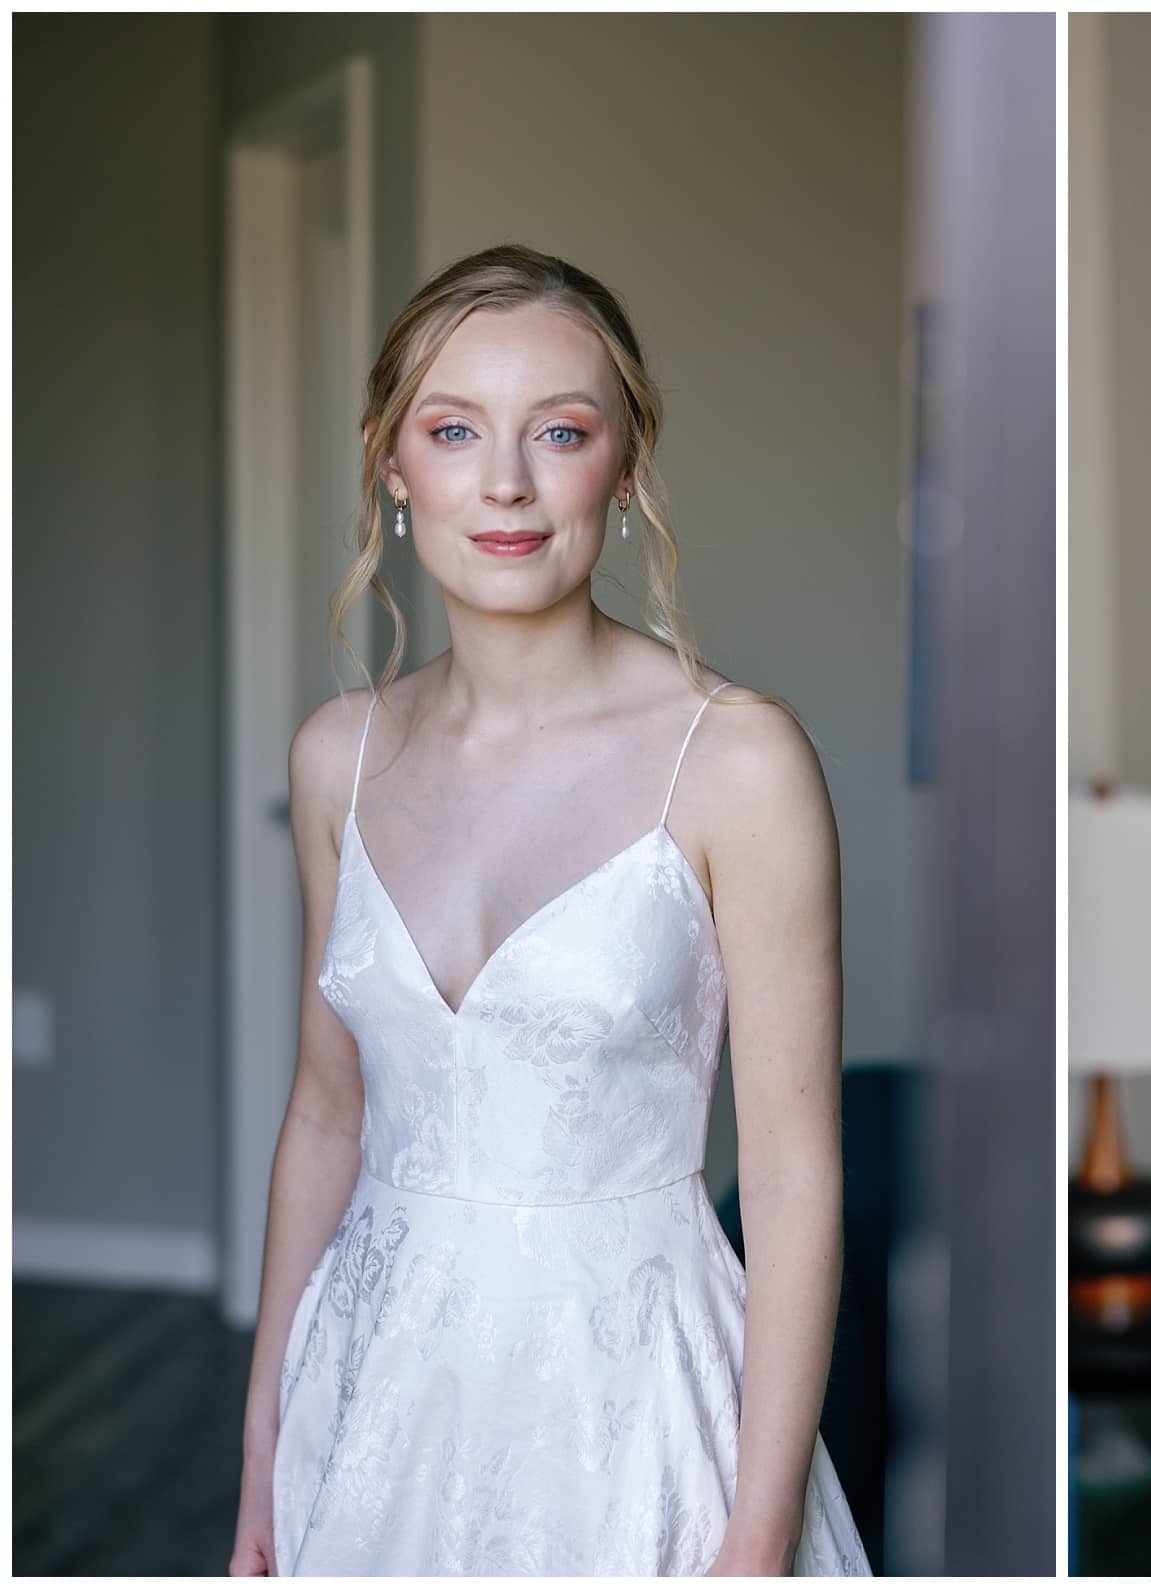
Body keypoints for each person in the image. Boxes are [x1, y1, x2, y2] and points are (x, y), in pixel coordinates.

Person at [227, 244, 871, 1575]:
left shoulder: (738, 761)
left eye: (560, 432)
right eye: (454, 430)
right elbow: (327, 1110)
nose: (507, 482)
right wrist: (263, 1454)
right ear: (391, 464)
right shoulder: (333, 756)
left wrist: (757, 1537)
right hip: (372, 1390)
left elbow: (799, 1173)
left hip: (634, 1412)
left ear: (625, 465)